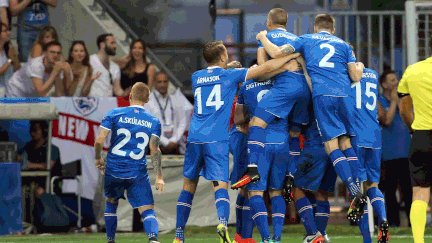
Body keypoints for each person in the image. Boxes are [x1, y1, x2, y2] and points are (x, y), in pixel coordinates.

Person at [172, 40, 299, 243]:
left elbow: (215, 74)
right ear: (223, 57)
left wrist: (227, 67)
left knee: (189, 186)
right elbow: (265, 68)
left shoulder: (196, 77)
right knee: (220, 186)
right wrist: (289, 58)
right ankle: (222, 222)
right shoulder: (230, 75)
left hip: (195, 137)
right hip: (217, 139)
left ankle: (179, 235)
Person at [258, 13, 367, 222]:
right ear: (333, 29)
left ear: (315, 28)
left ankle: (354, 191)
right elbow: (355, 76)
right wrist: (360, 67)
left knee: (331, 145)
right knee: (345, 141)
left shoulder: (306, 39)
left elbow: (276, 52)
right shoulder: (344, 45)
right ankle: (358, 184)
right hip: (345, 96)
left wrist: (263, 37)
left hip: (323, 95)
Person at [231, 8, 311, 194]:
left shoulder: (265, 37)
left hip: (286, 86)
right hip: (305, 89)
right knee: (294, 132)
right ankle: (291, 175)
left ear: (268, 22)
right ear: (286, 23)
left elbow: (262, 68)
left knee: (255, 123)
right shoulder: (296, 39)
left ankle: (252, 169)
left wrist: (263, 41)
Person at [234, 58, 301, 243]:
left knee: (255, 193)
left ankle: (265, 238)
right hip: (282, 143)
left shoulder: (246, 85)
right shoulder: (281, 81)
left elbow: (238, 119)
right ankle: (277, 238)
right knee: (276, 192)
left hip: (259, 143)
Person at [94, 82, 165, 243]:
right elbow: (154, 150)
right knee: (147, 210)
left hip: (113, 169)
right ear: (147, 100)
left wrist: (98, 158)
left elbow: (99, 141)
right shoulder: (154, 121)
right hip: (137, 172)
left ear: (130, 96)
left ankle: (111, 240)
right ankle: (153, 239)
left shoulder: (115, 113)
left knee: (111, 204)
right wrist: (159, 176)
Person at [350, 65, 389, 243]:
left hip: (356, 136)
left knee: (357, 191)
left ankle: (367, 239)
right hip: (374, 135)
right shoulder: (373, 73)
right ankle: (383, 219)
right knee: (373, 185)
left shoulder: (346, 75)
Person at [397, 53, 432, 243]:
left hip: (422, 137)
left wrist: (413, 130)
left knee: (419, 192)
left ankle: (419, 241)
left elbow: (403, 109)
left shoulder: (413, 70)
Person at [293, 104, 337, 243]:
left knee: (298, 189)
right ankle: (321, 234)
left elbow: (297, 127)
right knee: (322, 193)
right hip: (334, 149)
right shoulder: (334, 94)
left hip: (315, 148)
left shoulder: (310, 95)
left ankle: (312, 233)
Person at [377, 70, 412, 227]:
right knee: (390, 191)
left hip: (407, 150)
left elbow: (411, 120)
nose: (396, 82)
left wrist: (400, 102)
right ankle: (393, 222)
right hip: (388, 153)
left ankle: (414, 222)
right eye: (392, 80)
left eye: (396, 79)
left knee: (409, 190)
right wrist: (393, 102)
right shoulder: (377, 100)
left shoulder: (404, 100)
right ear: (384, 84)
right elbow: (387, 120)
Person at [5, 40, 70, 97]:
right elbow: (41, 92)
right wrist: (54, 73)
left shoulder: (57, 66)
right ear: (45, 53)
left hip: (31, 94)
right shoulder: (36, 65)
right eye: (52, 52)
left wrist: (64, 73)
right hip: (16, 90)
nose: (55, 55)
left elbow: (59, 94)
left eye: (58, 53)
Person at [144, 71, 187, 154]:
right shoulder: (148, 101)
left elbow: (183, 121)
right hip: (154, 147)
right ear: (154, 83)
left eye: (165, 81)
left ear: (168, 83)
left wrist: (173, 140)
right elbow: (148, 125)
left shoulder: (176, 99)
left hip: (174, 146)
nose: (162, 85)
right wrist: (165, 142)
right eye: (159, 82)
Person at [0, 23, 20, 88]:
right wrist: (10, 60)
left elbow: (18, 71)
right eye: (5, 31)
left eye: (8, 30)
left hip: (10, 89)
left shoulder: (10, 49)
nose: (9, 33)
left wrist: (15, 58)